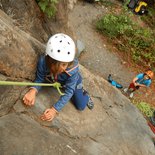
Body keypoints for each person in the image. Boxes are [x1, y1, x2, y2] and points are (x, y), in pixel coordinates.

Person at [23, 33, 94, 121]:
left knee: (80, 105)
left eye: (64, 64)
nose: (62, 68)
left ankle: (85, 95)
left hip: (72, 82)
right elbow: (40, 78)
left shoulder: (72, 70)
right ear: (50, 60)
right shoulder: (43, 61)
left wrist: (54, 110)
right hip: (56, 80)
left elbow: (69, 91)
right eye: (57, 64)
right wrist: (33, 90)